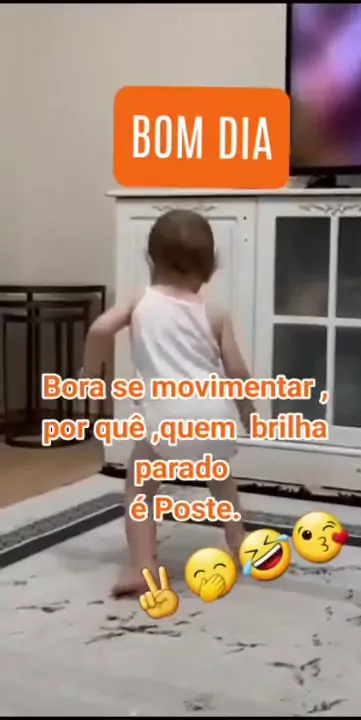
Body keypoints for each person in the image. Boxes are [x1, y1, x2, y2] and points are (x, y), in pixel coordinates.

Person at [82, 209, 256, 597]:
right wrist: (248, 413)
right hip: (214, 416)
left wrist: (91, 374)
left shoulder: (139, 302)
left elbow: (99, 329)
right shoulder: (215, 313)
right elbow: (237, 370)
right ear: (211, 267)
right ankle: (239, 540)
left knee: (140, 490)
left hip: (165, 420)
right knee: (220, 477)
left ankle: (142, 566)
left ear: (150, 260)